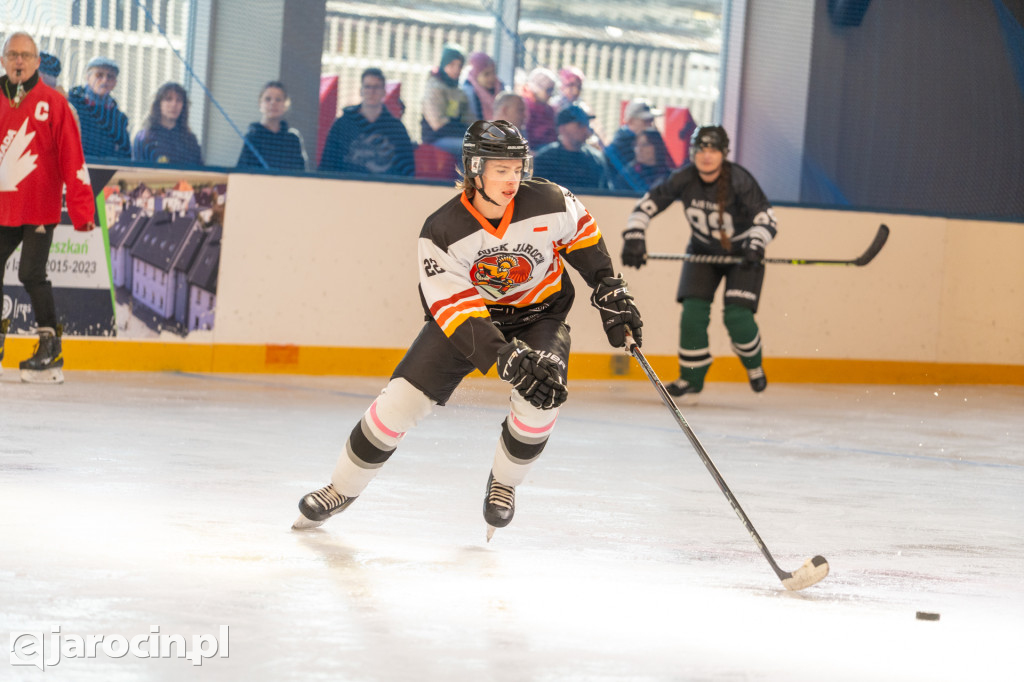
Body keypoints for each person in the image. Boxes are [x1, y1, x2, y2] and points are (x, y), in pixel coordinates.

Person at [292, 120, 643, 540]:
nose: (513, 179)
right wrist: (504, 355)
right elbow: (456, 311)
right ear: (474, 170)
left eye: (517, 169)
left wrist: (608, 289)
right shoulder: (442, 230)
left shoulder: (551, 200)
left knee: (543, 394)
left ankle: (504, 483)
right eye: (501, 170)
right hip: (468, 323)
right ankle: (341, 489)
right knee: (399, 402)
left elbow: (583, 237)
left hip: (541, 315)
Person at [620, 125, 776, 403]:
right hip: (702, 253)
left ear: (724, 153)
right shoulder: (684, 178)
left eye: (713, 149)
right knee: (692, 312)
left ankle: (753, 365)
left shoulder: (740, 180)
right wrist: (634, 235)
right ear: (693, 152)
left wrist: (756, 242)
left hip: (743, 254)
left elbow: (766, 218)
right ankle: (691, 377)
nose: (706, 156)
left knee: (737, 317)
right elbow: (648, 204)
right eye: (701, 149)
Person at [0, 32, 96, 384]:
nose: (19, 61)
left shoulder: (54, 104)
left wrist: (83, 212)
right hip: (3, 205)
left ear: (37, 62)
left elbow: (74, 158)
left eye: (26, 55)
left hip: (39, 207)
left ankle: (50, 350)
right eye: (12, 54)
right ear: (3, 60)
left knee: (30, 274)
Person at [318, 69, 413, 176]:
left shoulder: (395, 129)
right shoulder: (343, 125)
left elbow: (407, 167)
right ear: (361, 90)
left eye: (376, 87)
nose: (371, 92)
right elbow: (328, 164)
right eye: (367, 86)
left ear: (384, 92)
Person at [532, 105, 610, 192]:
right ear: (562, 129)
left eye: (586, 123)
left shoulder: (596, 160)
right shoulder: (545, 159)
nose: (585, 128)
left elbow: (605, 194)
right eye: (580, 124)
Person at [236, 81, 309, 171]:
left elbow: (301, 173)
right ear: (260, 104)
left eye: (278, 99)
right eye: (268, 99)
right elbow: (242, 172)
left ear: (285, 105)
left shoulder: (293, 140)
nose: (273, 103)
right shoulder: (252, 138)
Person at [68, 55, 130, 159]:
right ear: (87, 77)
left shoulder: (119, 119)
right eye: (99, 75)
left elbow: (125, 154)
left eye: (110, 76)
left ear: (115, 83)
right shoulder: (71, 106)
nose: (104, 80)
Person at [420, 43, 473, 157]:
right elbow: (438, 124)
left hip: (456, 136)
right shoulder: (434, 88)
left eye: (460, 65)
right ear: (444, 64)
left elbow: (469, 119)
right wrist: (464, 132)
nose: (456, 69)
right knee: (471, 149)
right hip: (436, 139)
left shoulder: (459, 91)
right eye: (452, 64)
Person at [132, 82, 202, 166]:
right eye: (168, 99)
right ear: (159, 104)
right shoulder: (144, 138)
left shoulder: (190, 141)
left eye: (179, 100)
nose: (174, 104)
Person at [606, 98, 667, 191]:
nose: (650, 125)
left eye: (652, 121)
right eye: (646, 121)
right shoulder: (619, 149)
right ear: (630, 121)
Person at [520, 67, 557, 148]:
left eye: (552, 90)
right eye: (548, 90)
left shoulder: (549, 109)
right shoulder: (524, 107)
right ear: (537, 88)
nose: (551, 94)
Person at [461, 51, 503, 121]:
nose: (491, 77)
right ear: (476, 76)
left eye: (493, 72)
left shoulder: (501, 89)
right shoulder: (468, 92)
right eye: (486, 74)